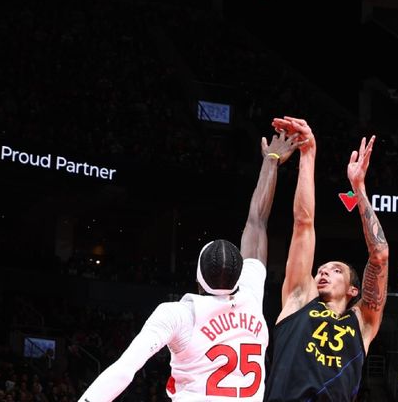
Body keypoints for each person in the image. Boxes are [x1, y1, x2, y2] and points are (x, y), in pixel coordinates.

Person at [77, 131, 302, 402]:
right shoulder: (251, 296)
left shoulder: (179, 315)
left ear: (198, 277)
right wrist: (272, 161)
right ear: (239, 276)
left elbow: (125, 369)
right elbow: (257, 221)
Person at [264, 117, 389, 402]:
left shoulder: (362, 324)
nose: (322, 272)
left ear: (353, 290)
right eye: (320, 269)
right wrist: (308, 153)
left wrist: (359, 189)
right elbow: (303, 224)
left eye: (335, 270)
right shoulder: (299, 299)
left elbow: (379, 255)